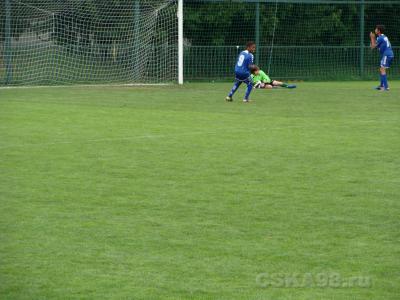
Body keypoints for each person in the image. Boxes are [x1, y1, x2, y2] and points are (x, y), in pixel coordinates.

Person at [370, 25, 394, 91]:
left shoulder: (380, 38)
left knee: (382, 69)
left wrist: (372, 37)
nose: (375, 30)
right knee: (381, 69)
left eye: (376, 29)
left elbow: (372, 47)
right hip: (389, 54)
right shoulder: (383, 37)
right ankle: (381, 86)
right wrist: (373, 39)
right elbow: (375, 45)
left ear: (379, 31)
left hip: (387, 55)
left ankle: (386, 87)